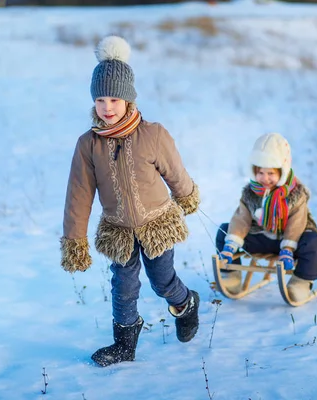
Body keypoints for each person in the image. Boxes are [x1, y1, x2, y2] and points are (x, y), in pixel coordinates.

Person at [60, 36, 201, 367]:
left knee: (161, 280)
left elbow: (175, 171)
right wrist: (74, 240)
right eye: (100, 100)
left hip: (157, 224)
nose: (107, 108)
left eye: (114, 99)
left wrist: (187, 195)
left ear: (128, 99)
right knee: (123, 287)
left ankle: (185, 304)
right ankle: (124, 343)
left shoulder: (152, 135)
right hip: (118, 229)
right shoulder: (88, 145)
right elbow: (78, 194)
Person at [216, 133, 317, 302]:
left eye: (271, 173)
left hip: (291, 240)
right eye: (260, 172)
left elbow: (296, 224)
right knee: (224, 231)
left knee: (316, 243)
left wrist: (288, 249)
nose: (265, 179)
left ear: (282, 172)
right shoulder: (250, 194)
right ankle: (231, 275)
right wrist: (231, 244)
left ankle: (300, 283)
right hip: (262, 237)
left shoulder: (296, 194)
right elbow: (241, 219)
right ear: (254, 171)